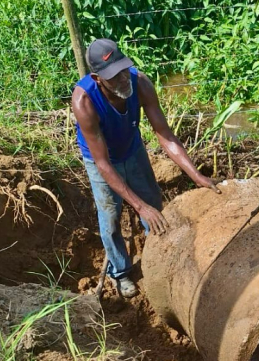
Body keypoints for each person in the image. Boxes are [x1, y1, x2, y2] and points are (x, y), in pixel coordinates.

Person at [72, 38, 221, 298]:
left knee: (153, 202)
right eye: (113, 77)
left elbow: (165, 135)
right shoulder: (85, 101)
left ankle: (161, 257)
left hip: (131, 147)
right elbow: (104, 163)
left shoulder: (139, 83)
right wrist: (138, 206)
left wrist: (196, 175)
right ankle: (119, 272)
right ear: (97, 79)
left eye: (122, 70)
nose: (122, 80)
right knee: (111, 217)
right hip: (101, 160)